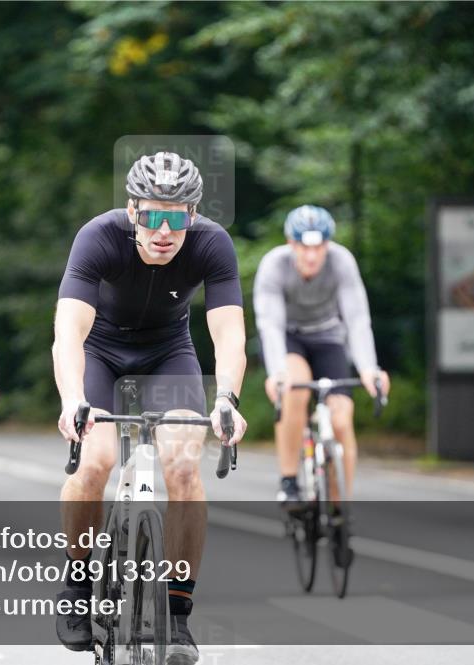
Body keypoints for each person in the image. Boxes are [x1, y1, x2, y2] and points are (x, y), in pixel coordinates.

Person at [53, 151, 248, 663]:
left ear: (194, 215)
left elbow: (228, 333)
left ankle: (177, 614)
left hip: (168, 353)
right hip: (101, 351)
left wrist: (227, 398)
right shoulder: (98, 237)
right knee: (94, 462)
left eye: (177, 219)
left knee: (183, 467)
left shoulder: (212, 243)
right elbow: (68, 332)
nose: (164, 231)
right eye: (154, 216)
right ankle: (78, 583)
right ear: (133, 210)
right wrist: (73, 399)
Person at [253, 205, 390, 513]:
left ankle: (339, 507)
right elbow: (270, 325)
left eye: (319, 247)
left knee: (341, 418)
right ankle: (289, 481)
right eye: (304, 247)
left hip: (328, 337)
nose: (312, 256)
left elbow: (357, 319)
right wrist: (277, 372)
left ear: (328, 244)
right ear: (291, 243)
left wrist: (369, 368)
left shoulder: (342, 261)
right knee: (296, 389)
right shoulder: (274, 265)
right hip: (289, 337)